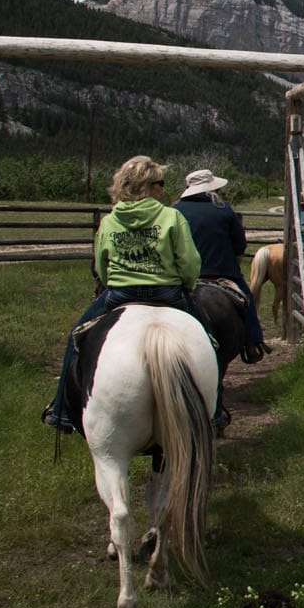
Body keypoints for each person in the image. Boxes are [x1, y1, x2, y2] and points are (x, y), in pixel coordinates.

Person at [42, 156, 209, 434]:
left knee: (76, 338)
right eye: (159, 183)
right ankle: (211, 413)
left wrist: (112, 283)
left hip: (120, 295)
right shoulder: (171, 216)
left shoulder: (110, 221)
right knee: (208, 337)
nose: (162, 189)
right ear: (148, 186)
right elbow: (189, 262)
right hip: (167, 293)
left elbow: (101, 264)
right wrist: (188, 285)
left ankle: (62, 411)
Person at [174, 168, 268, 363]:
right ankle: (253, 343)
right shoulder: (223, 209)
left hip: (183, 277)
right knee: (247, 299)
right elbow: (240, 245)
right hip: (222, 273)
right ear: (210, 189)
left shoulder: (175, 211)